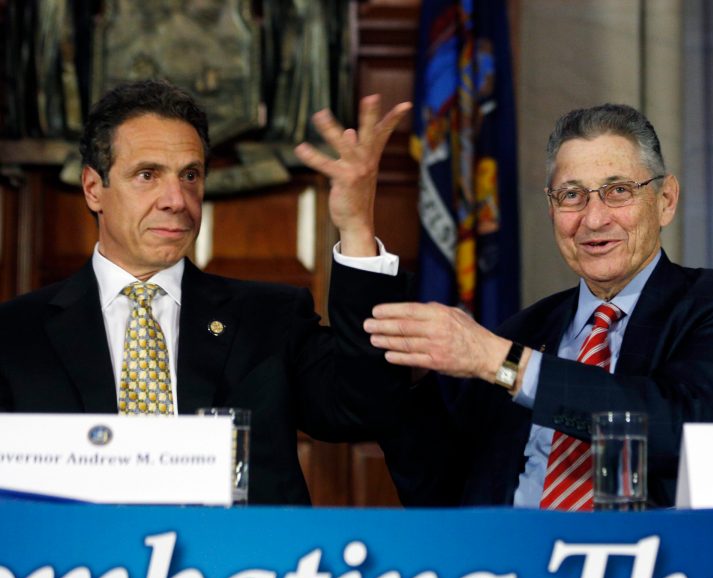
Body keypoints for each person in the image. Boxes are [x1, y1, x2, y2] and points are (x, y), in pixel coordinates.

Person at [0, 79, 414, 505]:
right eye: (147, 175)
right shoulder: (14, 335)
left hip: (237, 549)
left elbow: (364, 409)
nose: (176, 200)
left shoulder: (270, 317)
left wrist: (356, 225)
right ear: (93, 188)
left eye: (190, 175)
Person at [365, 103, 713, 509]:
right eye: (572, 196)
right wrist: (358, 229)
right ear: (552, 210)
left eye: (618, 191)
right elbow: (431, 478)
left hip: (643, 546)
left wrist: (506, 365)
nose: (593, 220)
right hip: (511, 545)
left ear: (665, 199)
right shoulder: (523, 331)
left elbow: (689, 429)